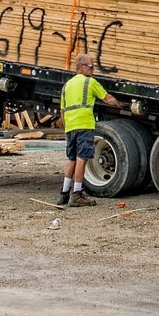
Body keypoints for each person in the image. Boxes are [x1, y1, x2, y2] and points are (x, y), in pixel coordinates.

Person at [58, 53, 122, 207]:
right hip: (84, 125)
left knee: (72, 159)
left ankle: (64, 193)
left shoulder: (67, 85)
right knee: (82, 158)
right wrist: (121, 104)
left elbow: (62, 110)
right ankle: (77, 194)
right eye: (91, 67)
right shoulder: (90, 82)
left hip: (71, 126)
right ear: (82, 67)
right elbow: (107, 98)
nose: (93, 70)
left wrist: (67, 127)